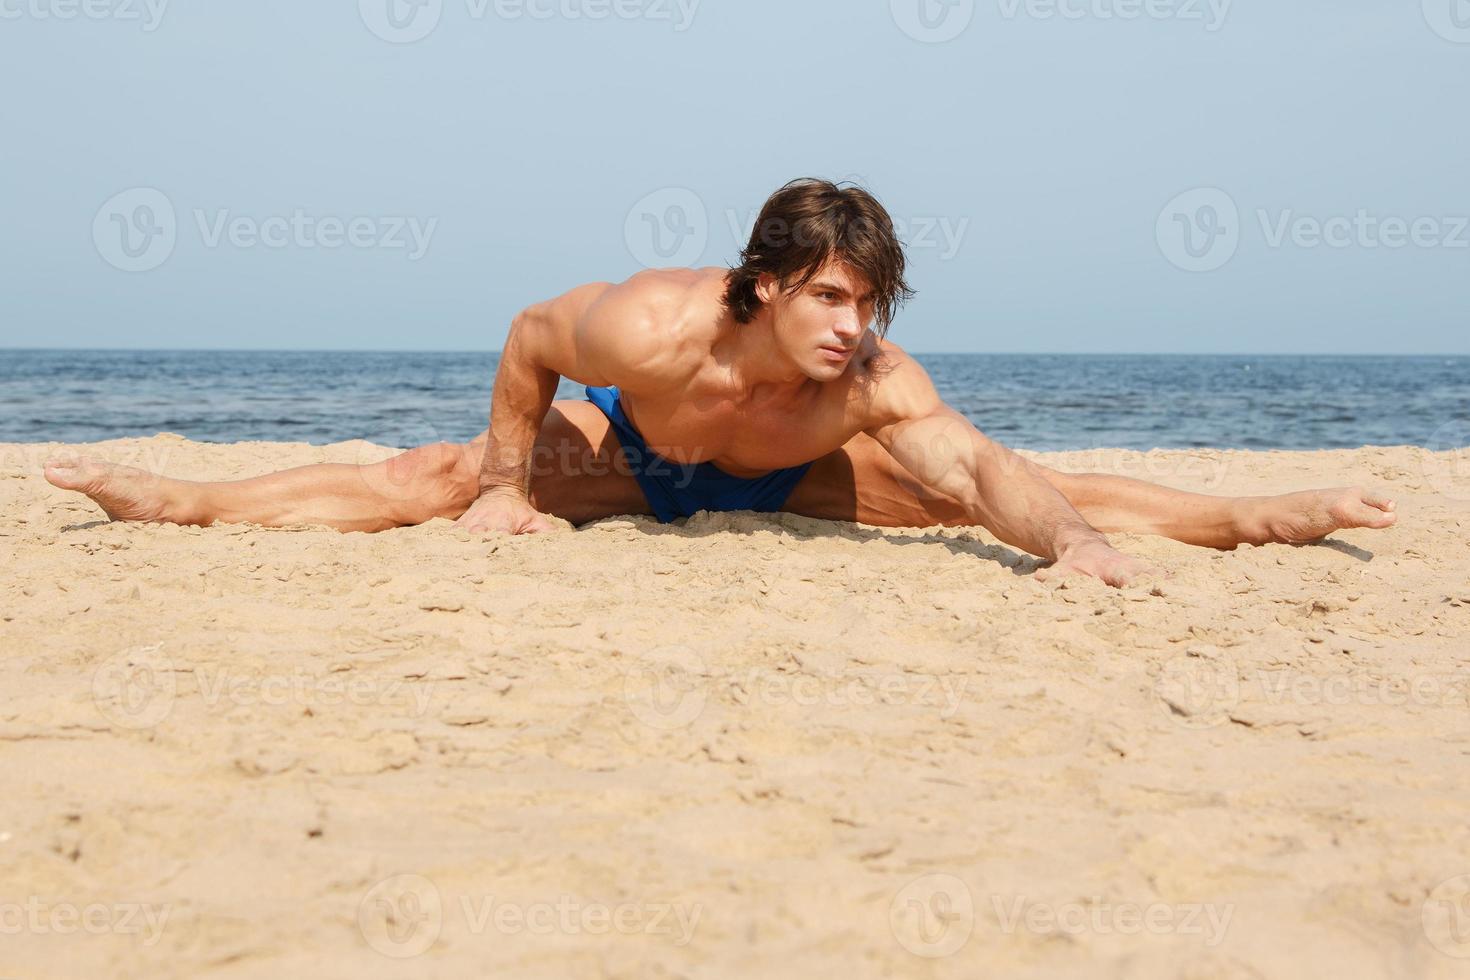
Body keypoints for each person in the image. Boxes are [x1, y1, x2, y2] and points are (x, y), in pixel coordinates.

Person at [44, 179, 1397, 587]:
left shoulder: (867, 380)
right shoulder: (647, 329)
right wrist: (513, 487)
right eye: (827, 295)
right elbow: (525, 337)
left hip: (785, 474)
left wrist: (1073, 543)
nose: (849, 325)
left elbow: (980, 466)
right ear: (763, 286)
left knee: (1016, 493)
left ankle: (1250, 514)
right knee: (431, 479)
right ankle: (168, 498)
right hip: (631, 449)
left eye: (866, 304)